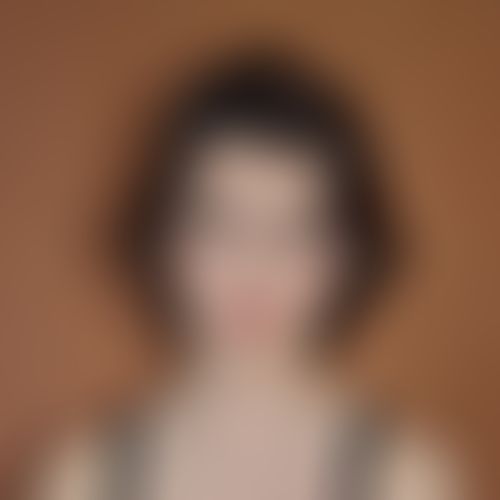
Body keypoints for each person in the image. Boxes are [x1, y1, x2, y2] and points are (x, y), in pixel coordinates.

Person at [31, 54, 459, 500]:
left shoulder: (403, 475)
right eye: (222, 225)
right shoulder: (87, 475)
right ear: (164, 241)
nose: (257, 268)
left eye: (296, 231)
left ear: (348, 256)